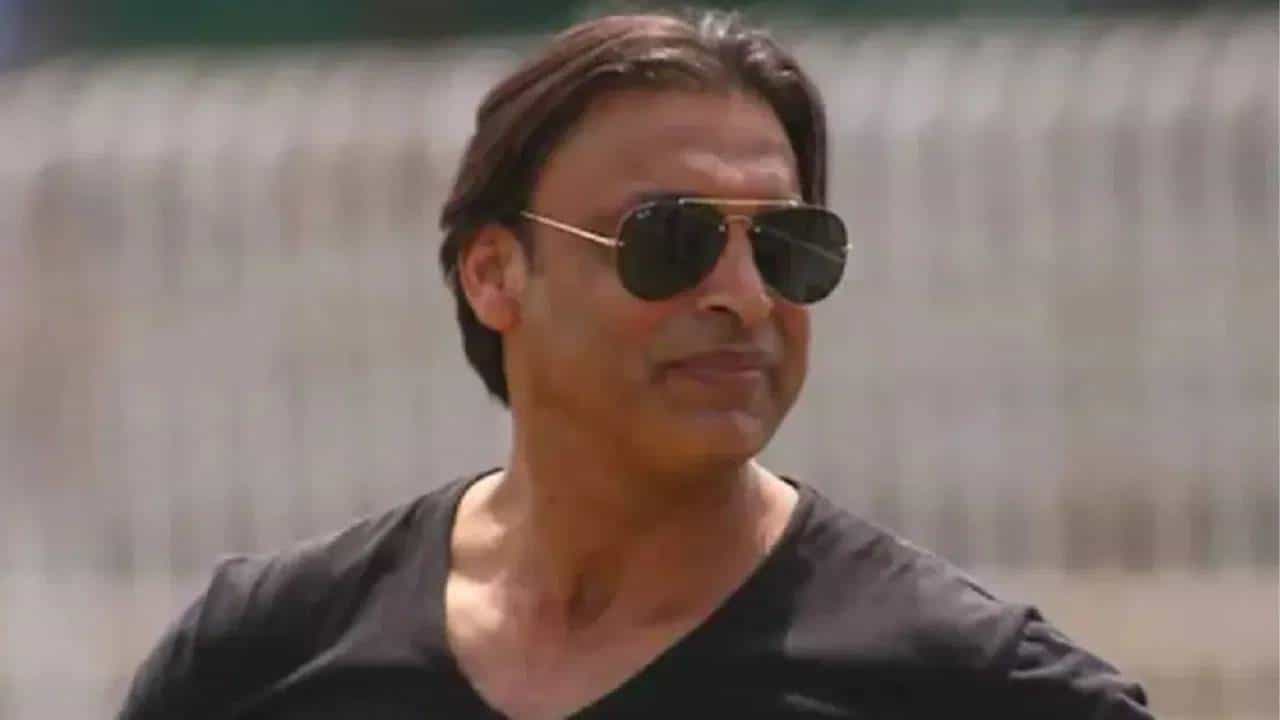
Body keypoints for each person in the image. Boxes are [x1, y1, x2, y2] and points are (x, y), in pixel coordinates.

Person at [119, 11, 1154, 719]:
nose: (744, 297)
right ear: (494, 274)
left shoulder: (960, 684)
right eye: (670, 239)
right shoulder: (264, 656)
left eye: (786, 246)